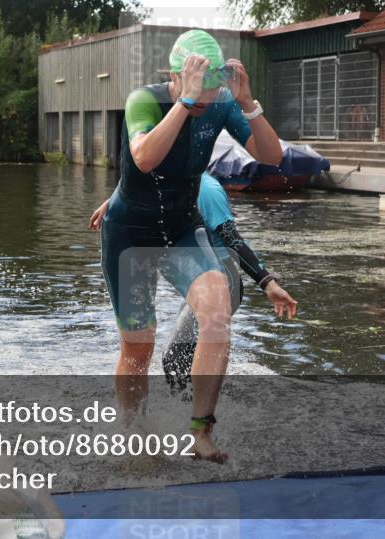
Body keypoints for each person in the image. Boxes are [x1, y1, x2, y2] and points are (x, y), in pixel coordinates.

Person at [101, 29, 284, 462]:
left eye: (212, 87)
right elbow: (144, 157)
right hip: (130, 236)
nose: (206, 97)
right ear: (175, 74)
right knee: (139, 346)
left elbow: (271, 156)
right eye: (198, 84)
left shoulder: (220, 104)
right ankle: (132, 432)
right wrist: (185, 102)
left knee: (217, 310)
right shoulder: (143, 100)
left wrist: (247, 105)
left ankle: (200, 432)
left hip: (181, 229)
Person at [90, 172, 298, 388]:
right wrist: (112, 204)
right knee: (178, 359)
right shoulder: (164, 184)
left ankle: (197, 415)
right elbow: (142, 195)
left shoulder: (207, 190)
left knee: (175, 357)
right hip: (198, 277)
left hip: (223, 280)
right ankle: (197, 405)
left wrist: (267, 282)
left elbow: (231, 237)